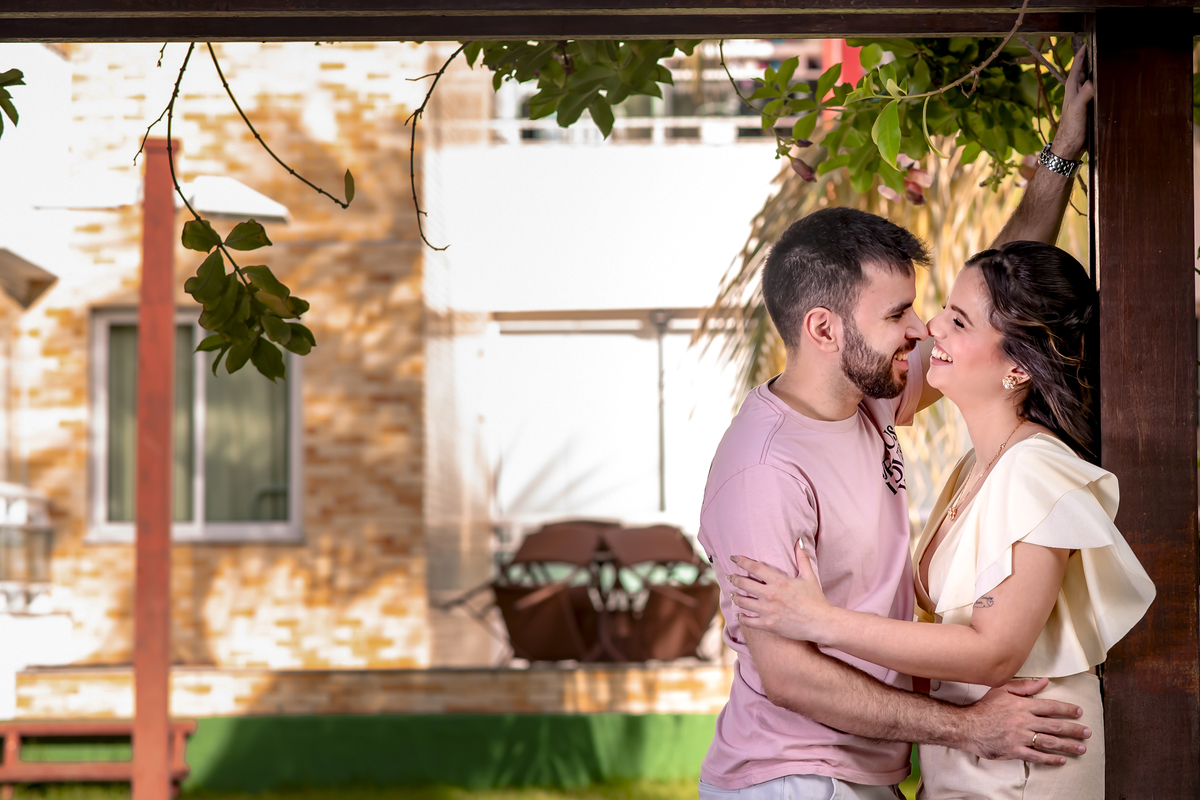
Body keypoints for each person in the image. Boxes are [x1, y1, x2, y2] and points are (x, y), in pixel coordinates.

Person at [695, 49, 1098, 800]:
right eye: (896, 314)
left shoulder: (867, 395)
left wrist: (1059, 154)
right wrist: (970, 729)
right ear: (823, 329)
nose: (920, 330)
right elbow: (789, 676)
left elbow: (997, 312)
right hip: (794, 781)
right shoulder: (763, 473)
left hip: (859, 776)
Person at [727, 240, 1155, 799]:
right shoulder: (975, 467)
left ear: (1019, 365)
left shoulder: (1038, 472)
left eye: (957, 320)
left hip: (1024, 764)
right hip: (965, 762)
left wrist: (821, 621)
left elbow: (994, 651)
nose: (930, 329)